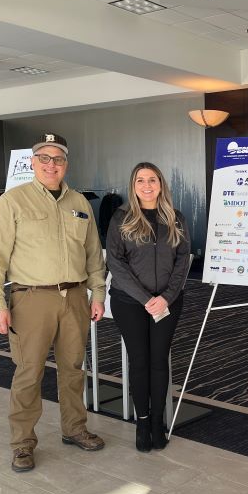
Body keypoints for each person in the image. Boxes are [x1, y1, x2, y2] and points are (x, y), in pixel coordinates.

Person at [0, 133, 106, 473]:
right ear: (33, 163)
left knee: (73, 370)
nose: (52, 164)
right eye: (45, 159)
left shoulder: (80, 203)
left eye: (58, 159)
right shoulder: (12, 202)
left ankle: (75, 428)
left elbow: (94, 254)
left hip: (76, 298)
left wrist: (98, 292)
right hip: (32, 299)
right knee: (29, 373)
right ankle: (22, 444)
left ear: (66, 164)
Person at [106, 162, 191, 452]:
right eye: (140, 180)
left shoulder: (175, 218)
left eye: (151, 180)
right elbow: (115, 264)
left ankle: (157, 422)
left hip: (168, 302)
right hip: (130, 303)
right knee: (139, 361)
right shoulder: (121, 218)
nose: (146, 185)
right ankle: (142, 422)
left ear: (160, 184)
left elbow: (182, 260)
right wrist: (145, 300)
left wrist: (166, 297)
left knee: (159, 361)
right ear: (133, 185)